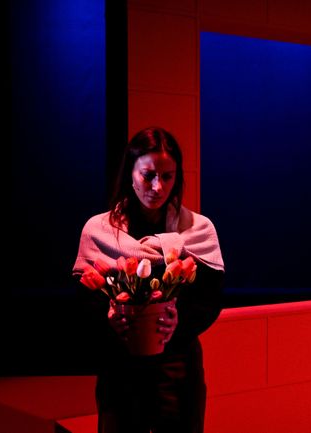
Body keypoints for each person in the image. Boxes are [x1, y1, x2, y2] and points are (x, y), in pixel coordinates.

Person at [72, 126, 225, 433]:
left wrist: (178, 319)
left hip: (177, 367)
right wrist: (109, 317)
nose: (158, 186)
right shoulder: (99, 230)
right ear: (130, 173)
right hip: (121, 366)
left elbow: (211, 298)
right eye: (148, 175)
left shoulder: (197, 230)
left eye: (167, 176)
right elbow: (82, 299)